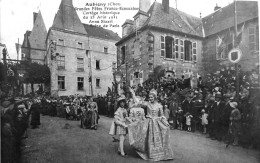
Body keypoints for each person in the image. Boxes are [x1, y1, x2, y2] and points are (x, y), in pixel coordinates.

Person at [128, 88, 174, 161]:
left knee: (158, 139)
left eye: (151, 97)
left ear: (155, 97)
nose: (150, 98)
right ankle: (150, 154)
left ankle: (159, 155)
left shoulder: (159, 106)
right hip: (149, 123)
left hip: (157, 124)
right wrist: (133, 93)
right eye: (149, 97)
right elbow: (138, 101)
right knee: (148, 138)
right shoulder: (147, 104)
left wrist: (166, 123)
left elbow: (162, 116)